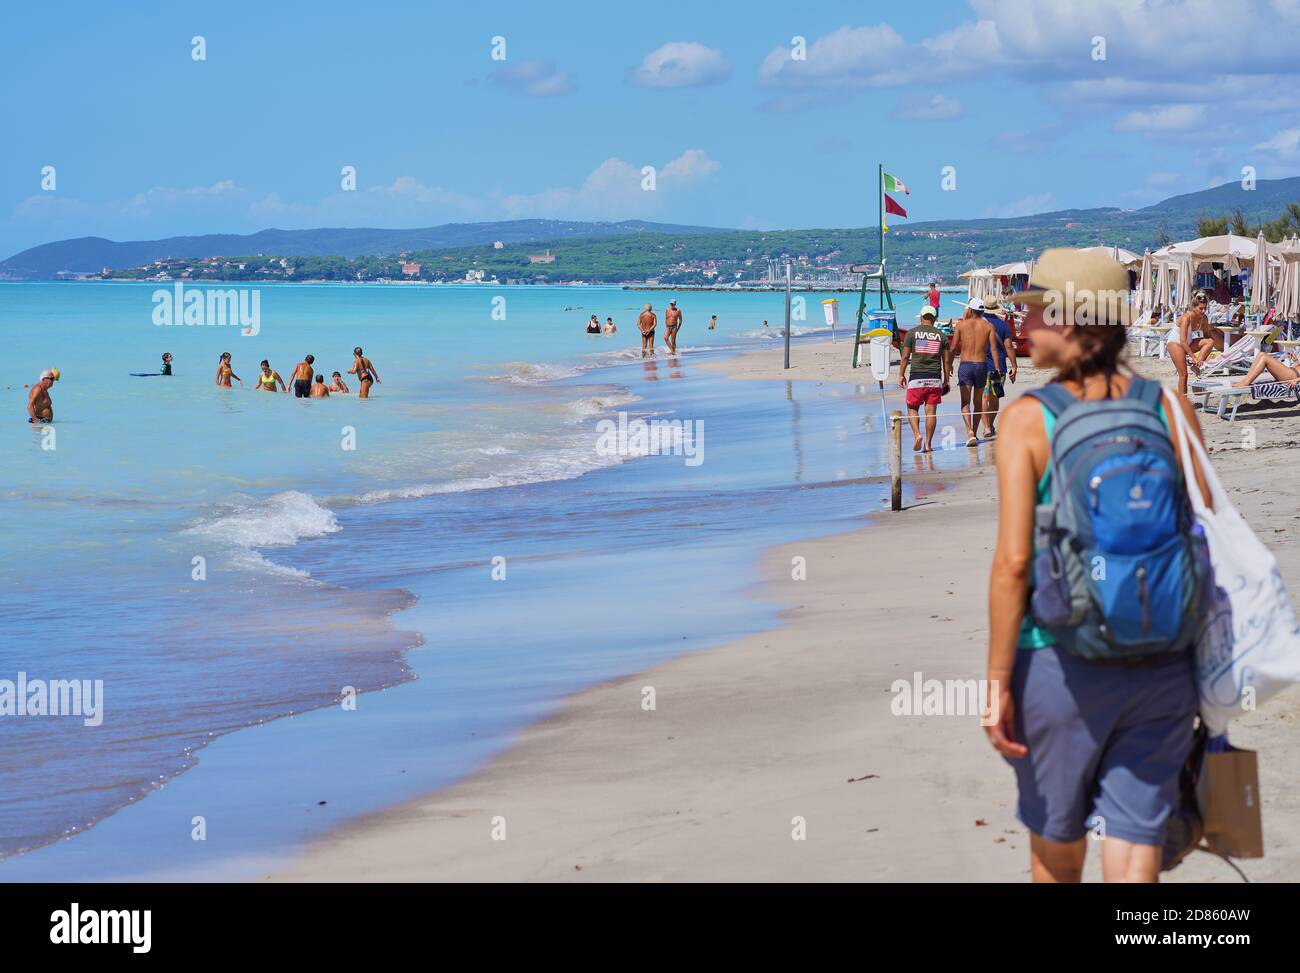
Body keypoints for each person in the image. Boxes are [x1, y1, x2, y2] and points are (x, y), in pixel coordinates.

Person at [987, 248, 1213, 884]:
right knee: (1136, 845)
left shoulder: (1028, 420)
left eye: (1035, 312)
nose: (1023, 326)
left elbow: (1012, 563)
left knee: (1057, 852)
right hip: (1165, 661)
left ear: (1072, 320)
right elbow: (1203, 534)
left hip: (1060, 663)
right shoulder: (1170, 409)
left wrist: (998, 680)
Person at [948, 299, 1000, 447]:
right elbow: (994, 349)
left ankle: (969, 431)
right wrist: (996, 369)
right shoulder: (989, 326)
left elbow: (953, 348)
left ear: (970, 310)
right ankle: (975, 434)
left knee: (965, 402)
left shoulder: (961, 325)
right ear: (983, 311)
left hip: (966, 365)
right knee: (978, 403)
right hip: (981, 366)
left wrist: (949, 364)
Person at [898, 306, 949, 452]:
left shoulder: (911, 333)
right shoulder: (942, 336)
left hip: (917, 377)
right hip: (935, 378)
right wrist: (946, 379)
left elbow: (906, 357)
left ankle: (917, 435)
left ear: (921, 317)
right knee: (931, 412)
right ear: (935, 319)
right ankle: (928, 445)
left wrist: (901, 374)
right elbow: (946, 361)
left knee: (912, 408)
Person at [981, 299, 1018, 438]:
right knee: (995, 397)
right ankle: (990, 425)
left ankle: (986, 428)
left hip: (982, 366)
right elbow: (1008, 347)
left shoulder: (980, 324)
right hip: (1000, 367)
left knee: (984, 396)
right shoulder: (1003, 325)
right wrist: (1014, 366)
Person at [1167, 293, 1213, 396]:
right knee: (1183, 375)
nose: (1203, 311)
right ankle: (1183, 402)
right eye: (1201, 308)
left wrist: (1202, 357)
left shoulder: (1204, 318)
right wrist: (1193, 357)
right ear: (1193, 307)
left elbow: (1207, 337)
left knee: (1210, 342)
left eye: (1205, 308)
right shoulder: (1186, 317)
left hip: (1188, 343)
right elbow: (1182, 340)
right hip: (1176, 343)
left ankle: (1196, 366)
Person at [1231, 349, 1300, 388]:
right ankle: (1246, 380)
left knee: (1264, 357)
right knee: (1261, 354)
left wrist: (1296, 380)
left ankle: (1246, 382)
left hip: (1293, 376)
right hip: (1292, 372)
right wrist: (1296, 362)